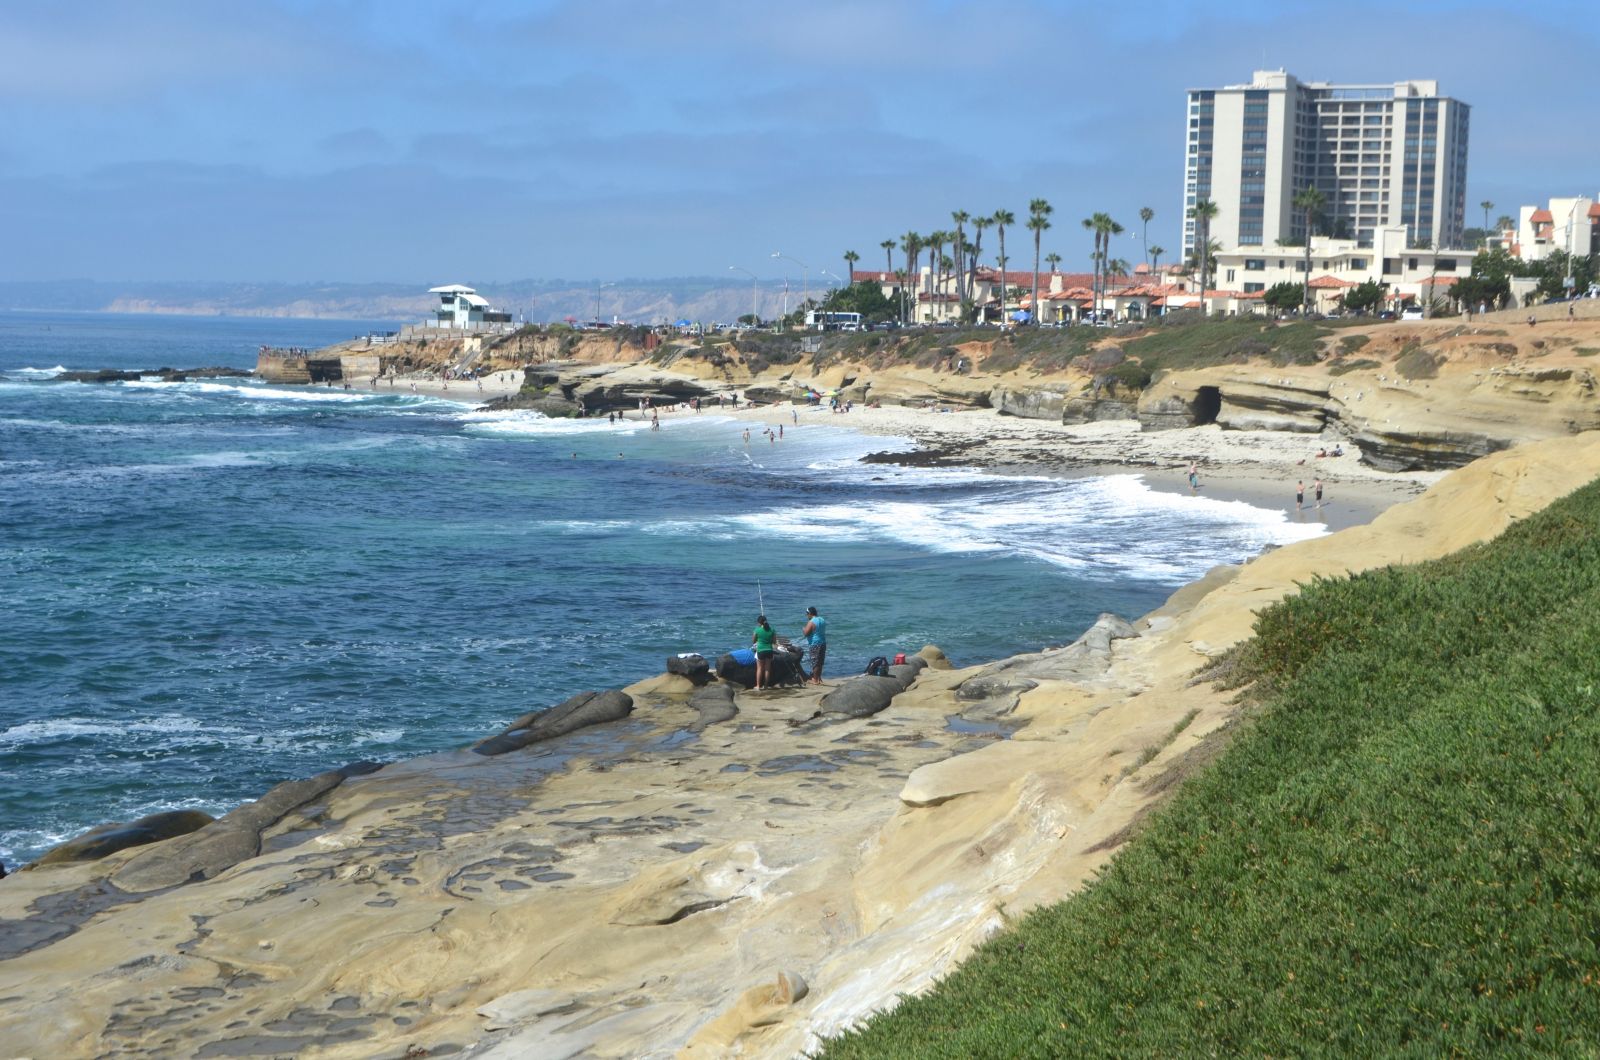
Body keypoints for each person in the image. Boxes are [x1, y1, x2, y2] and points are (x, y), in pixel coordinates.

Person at [801, 606, 827, 685]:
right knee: (820, 662)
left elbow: (806, 633)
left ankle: (815, 680)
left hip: (815, 644)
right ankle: (818, 678)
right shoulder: (822, 619)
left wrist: (803, 629)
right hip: (823, 643)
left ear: (810, 614)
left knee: (814, 662)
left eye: (807, 614)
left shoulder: (811, 622)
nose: (806, 616)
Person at [751, 614, 777, 690]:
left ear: (759, 623)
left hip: (761, 650)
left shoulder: (757, 630)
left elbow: (753, 641)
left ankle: (758, 686)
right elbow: (774, 641)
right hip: (769, 650)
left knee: (759, 668)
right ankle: (765, 686)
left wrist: (759, 640)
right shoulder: (772, 629)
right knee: (767, 669)